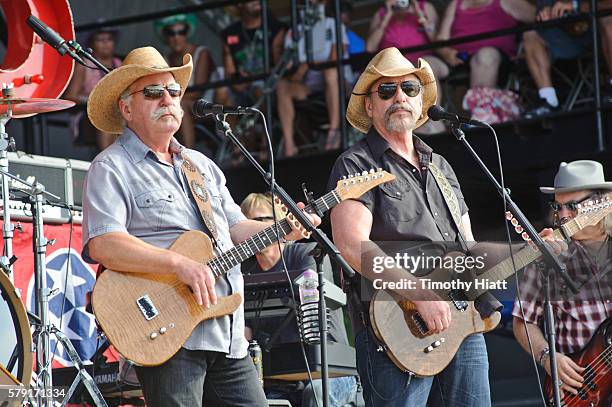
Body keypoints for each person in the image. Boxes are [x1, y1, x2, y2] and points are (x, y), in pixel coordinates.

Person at [81, 46, 320, 407]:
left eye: (173, 91)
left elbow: (235, 227)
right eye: (153, 92)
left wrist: (284, 228)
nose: (167, 98)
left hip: (226, 331)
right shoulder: (111, 167)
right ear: (126, 108)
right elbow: (103, 243)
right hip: (168, 329)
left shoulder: (201, 165)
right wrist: (180, 265)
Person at [326, 46, 501, 406]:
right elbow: (351, 244)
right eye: (386, 91)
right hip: (395, 329)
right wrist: (420, 295)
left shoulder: (441, 166)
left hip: (462, 322)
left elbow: (467, 244)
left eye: (409, 88)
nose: (400, 97)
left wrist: (534, 248)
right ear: (370, 106)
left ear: (421, 103)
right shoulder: (357, 164)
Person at [240, 192, 358, 407]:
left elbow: (309, 298)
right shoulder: (243, 273)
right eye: (246, 223)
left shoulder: (306, 253)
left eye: (259, 221)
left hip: (331, 371)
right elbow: (244, 333)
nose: (253, 229)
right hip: (279, 378)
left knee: (316, 393)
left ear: (279, 224)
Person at [512, 160, 612, 400]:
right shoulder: (549, 257)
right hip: (583, 385)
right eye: (558, 207)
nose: (564, 215)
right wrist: (548, 357)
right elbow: (523, 321)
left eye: (573, 206)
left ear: (603, 203)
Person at [276, 0, 349, 157]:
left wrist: (308, 65)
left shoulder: (333, 24)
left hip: (337, 84)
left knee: (330, 72)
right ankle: (289, 145)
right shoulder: (295, 30)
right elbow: (289, 67)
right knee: (282, 85)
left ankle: (334, 131)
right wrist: (293, 70)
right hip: (307, 86)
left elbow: (336, 58)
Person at [366, 0, 448, 134]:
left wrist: (419, 14)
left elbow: (438, 42)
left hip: (428, 62)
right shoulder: (381, 14)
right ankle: (409, 124)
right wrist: (387, 16)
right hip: (397, 69)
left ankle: (433, 117)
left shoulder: (425, 7)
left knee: (425, 66)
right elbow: (370, 47)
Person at [522, 0, 612, 118]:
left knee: (608, 21)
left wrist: (576, 6)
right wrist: (546, 13)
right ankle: (548, 100)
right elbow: (542, 7)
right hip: (569, 36)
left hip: (599, 33)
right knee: (530, 34)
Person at [437, 0, 534, 89]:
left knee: (485, 55)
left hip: (497, 58)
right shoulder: (456, 3)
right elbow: (441, 39)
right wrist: (447, 53)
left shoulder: (508, 1)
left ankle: (481, 106)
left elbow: (540, 18)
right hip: (461, 58)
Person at [154, 13, 216, 149]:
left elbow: (198, 91)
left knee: (180, 106)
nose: (176, 37)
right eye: (171, 33)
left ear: (187, 33)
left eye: (181, 32)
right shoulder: (165, 58)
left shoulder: (201, 52)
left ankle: (188, 155)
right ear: (165, 36)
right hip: (177, 102)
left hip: (203, 103)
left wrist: (172, 100)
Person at [64, 27, 121, 152]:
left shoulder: (119, 63)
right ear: (91, 43)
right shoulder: (84, 64)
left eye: (109, 39)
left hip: (117, 114)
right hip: (86, 117)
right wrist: (97, 99)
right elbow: (70, 96)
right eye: (100, 40)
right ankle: (107, 162)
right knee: (104, 116)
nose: (105, 43)